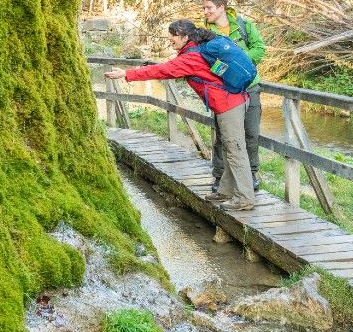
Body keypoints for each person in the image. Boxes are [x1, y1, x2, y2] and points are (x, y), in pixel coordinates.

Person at [105, 19, 256, 210]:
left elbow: (162, 70)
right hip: (231, 101)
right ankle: (226, 191)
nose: (170, 39)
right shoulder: (198, 48)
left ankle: (245, 199)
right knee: (229, 148)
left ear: (185, 37)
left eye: (174, 35)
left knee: (235, 150)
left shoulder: (191, 58)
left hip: (229, 104)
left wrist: (128, 74)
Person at [201, 0, 265, 194]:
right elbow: (205, 62)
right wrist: (227, 71)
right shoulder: (204, 33)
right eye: (203, 8)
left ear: (221, 7)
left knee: (251, 134)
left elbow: (259, 48)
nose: (205, 12)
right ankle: (220, 177)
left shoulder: (244, 25)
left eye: (209, 8)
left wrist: (240, 61)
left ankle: (251, 174)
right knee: (223, 136)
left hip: (250, 86)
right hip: (225, 91)